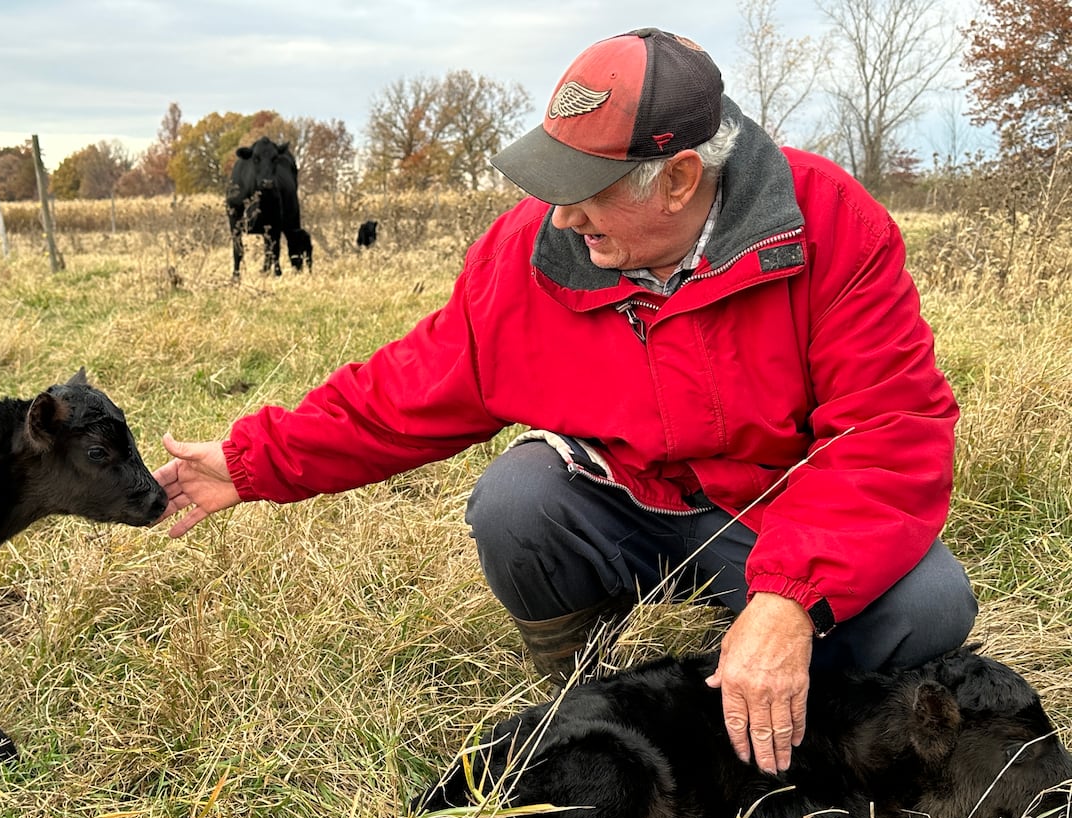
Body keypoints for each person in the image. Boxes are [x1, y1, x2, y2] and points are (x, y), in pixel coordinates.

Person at [152, 27, 977, 777]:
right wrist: (254, 462)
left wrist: (789, 599)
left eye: (587, 188)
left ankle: (785, 694)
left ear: (681, 178)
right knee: (516, 500)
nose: (562, 213)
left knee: (930, 607)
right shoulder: (535, 250)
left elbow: (887, 430)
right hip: (624, 502)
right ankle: (589, 682)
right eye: (555, 181)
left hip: (772, 514)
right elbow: (412, 386)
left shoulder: (829, 224)